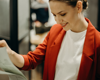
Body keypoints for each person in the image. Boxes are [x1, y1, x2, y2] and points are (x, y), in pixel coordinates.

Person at [0, 0, 100, 80]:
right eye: (54, 15)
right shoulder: (55, 31)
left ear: (79, 6)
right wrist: (10, 53)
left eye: (63, 14)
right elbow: (32, 60)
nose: (57, 21)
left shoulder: (97, 41)